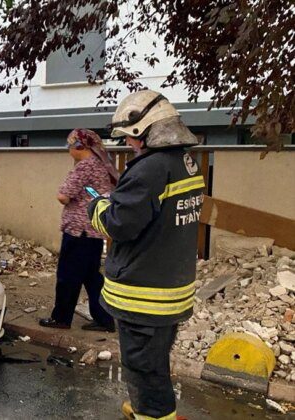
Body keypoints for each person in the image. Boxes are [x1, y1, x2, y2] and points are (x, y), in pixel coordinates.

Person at [88, 90, 203, 420]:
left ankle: (152, 414)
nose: (128, 144)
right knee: (155, 362)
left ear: (146, 130)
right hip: (171, 290)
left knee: (143, 367)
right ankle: (147, 408)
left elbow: (118, 224)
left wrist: (99, 206)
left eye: (130, 137)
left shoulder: (149, 169)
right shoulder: (185, 163)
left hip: (143, 296)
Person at [39, 128, 119, 332]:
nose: (68, 148)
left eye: (69, 144)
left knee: (68, 276)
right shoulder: (102, 165)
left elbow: (63, 196)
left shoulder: (84, 167)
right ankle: (104, 318)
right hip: (94, 230)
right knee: (91, 277)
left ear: (79, 146)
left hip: (78, 230)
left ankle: (61, 318)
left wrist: (72, 196)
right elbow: (97, 194)